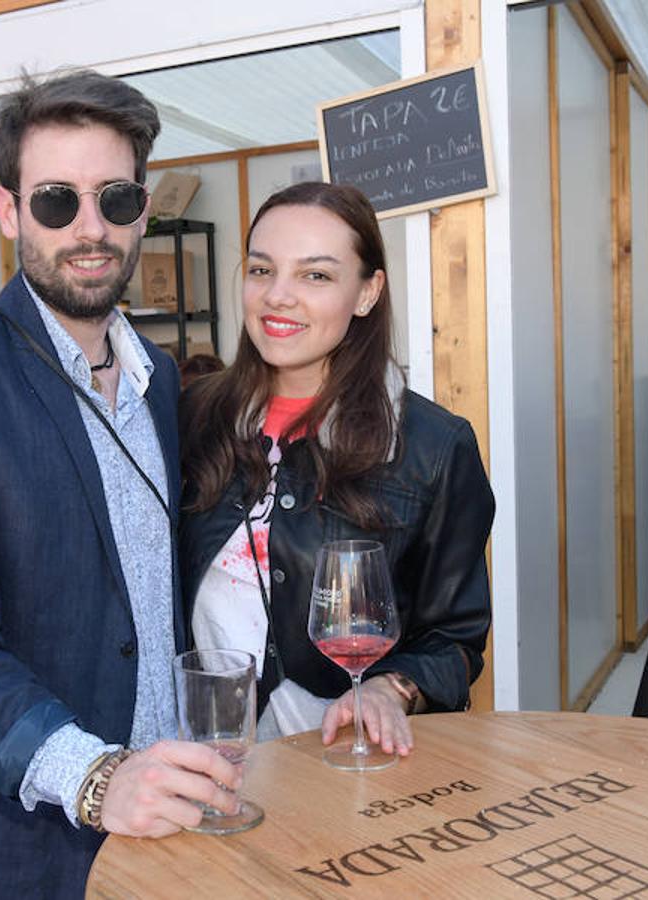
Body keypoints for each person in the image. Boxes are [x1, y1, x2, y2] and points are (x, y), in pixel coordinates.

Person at [0, 70, 240, 898]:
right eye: (57, 200)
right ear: (8, 211)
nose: (91, 229)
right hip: (15, 843)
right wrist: (98, 780)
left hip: (164, 820)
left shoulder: (159, 378)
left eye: (117, 200)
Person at [180, 182, 494, 752]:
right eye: (261, 270)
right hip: (204, 758)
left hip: (338, 760)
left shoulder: (432, 447)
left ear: (367, 292)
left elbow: (453, 638)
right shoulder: (194, 417)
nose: (278, 296)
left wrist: (389, 689)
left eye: (316, 275)